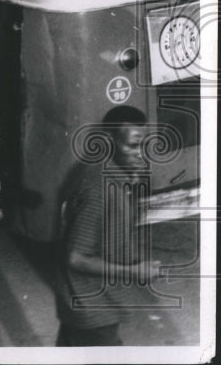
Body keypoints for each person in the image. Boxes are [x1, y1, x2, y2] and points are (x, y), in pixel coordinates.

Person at [55, 106, 163, 346]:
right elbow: (76, 257)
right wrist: (135, 271)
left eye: (144, 146)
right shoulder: (100, 189)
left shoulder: (105, 174)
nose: (141, 155)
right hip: (94, 308)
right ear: (107, 141)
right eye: (133, 146)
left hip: (88, 303)